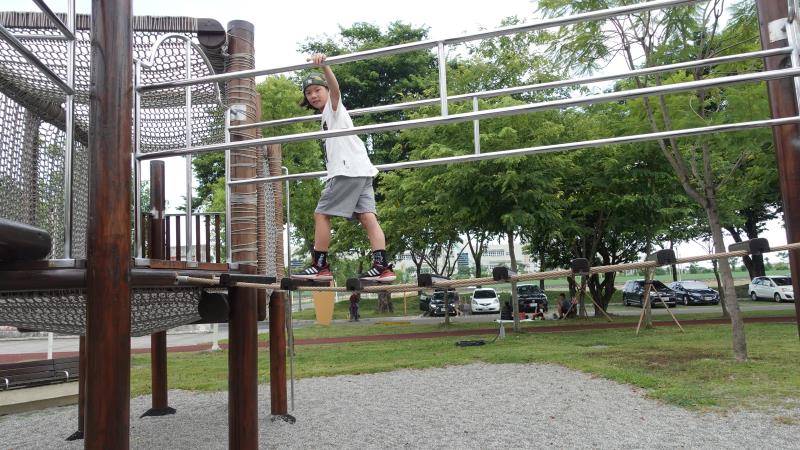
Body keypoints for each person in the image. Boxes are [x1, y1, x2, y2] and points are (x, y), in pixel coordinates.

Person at [293, 53, 395, 282]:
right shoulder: (326, 117)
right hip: (362, 170)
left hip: (347, 170)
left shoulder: (333, 107)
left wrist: (325, 67)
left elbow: (336, 89)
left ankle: (320, 266)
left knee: (321, 214)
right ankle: (383, 267)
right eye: (308, 93)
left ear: (326, 91)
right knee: (367, 217)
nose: (313, 95)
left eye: (317, 90)